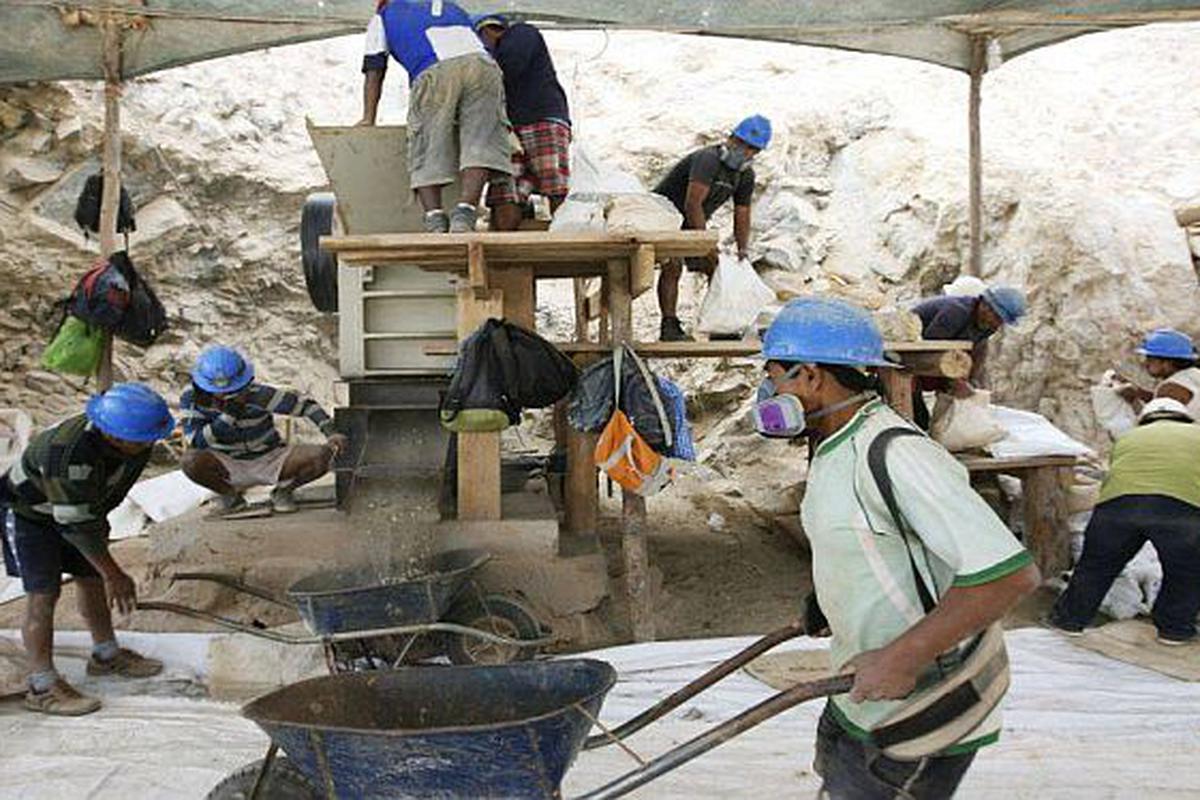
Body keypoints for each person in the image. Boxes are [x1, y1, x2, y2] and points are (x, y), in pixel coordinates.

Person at [758, 297, 1039, 798]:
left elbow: (1009, 574)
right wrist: (832, 596)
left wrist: (904, 658)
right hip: (862, 685)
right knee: (838, 770)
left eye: (774, 375)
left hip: (928, 699)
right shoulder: (834, 444)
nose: (767, 390)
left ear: (811, 377)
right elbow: (867, 539)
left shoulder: (896, 453)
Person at [1, 383, 174, 715]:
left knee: (92, 578)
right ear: (115, 436)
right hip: (29, 516)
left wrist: (103, 568)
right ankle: (42, 685)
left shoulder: (137, 441)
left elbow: (88, 514)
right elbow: (72, 525)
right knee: (43, 595)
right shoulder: (67, 453)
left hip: (82, 513)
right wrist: (115, 573)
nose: (150, 444)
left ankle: (106, 655)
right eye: (142, 440)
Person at [1046, 397, 1200, 646]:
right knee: (1185, 570)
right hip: (1178, 509)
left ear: (1146, 419)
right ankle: (1175, 630)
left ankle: (1069, 621)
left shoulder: (1129, 437)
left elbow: (1118, 471)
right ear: (1184, 418)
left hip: (1118, 506)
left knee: (1095, 567)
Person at [359, 0, 513, 233]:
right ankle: (465, 213)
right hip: (483, 66)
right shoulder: (451, 7)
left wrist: (368, 117)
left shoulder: (383, 16)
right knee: (481, 139)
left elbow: (375, 67)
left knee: (428, 141)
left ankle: (435, 219)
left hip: (434, 69)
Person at [179, 346, 348, 516]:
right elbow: (197, 441)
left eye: (232, 391)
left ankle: (283, 491)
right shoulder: (191, 399)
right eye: (218, 393)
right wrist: (229, 416)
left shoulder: (259, 395)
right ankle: (230, 495)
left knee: (322, 455)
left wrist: (330, 432)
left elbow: (306, 406)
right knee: (190, 461)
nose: (224, 396)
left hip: (269, 458)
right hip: (226, 462)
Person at [652, 115, 771, 341]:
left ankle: (721, 326)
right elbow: (692, 202)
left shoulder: (745, 174)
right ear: (731, 139)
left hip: (691, 221)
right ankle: (669, 326)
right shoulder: (708, 159)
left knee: (717, 268)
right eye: (742, 145)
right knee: (672, 264)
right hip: (663, 217)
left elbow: (742, 212)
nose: (745, 152)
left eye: (752, 149)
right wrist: (704, 241)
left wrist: (742, 249)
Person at [473, 14, 571, 230]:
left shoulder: (522, 33)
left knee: (555, 188)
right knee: (506, 195)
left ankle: (569, 244)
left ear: (488, 30)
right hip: (511, 130)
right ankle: (505, 256)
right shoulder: (495, 55)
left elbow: (510, 65)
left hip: (541, 122)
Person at [910, 285, 1027, 429]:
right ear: (985, 305)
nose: (997, 324)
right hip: (910, 358)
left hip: (943, 361)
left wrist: (971, 381)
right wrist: (954, 380)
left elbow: (978, 351)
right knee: (916, 420)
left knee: (948, 415)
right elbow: (929, 350)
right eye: (996, 317)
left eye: (1001, 321)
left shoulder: (988, 324)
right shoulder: (956, 311)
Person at [1113, 328, 1200, 420]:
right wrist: (1138, 392)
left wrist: (1133, 400)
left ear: (1167, 362)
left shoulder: (1171, 388)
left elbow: (1157, 424)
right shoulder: (1193, 375)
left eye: (1150, 359)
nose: (1145, 363)